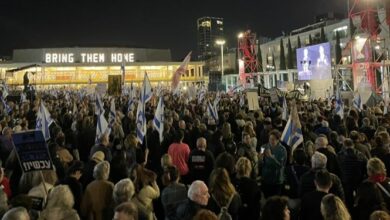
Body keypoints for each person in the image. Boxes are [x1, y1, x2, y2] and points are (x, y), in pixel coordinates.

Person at [260, 130, 287, 198]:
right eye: (270, 139)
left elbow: (281, 166)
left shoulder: (282, 150)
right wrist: (260, 158)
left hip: (276, 181)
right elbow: (260, 163)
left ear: (278, 140)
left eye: (273, 139)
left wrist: (272, 157)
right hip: (266, 179)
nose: (271, 141)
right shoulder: (263, 147)